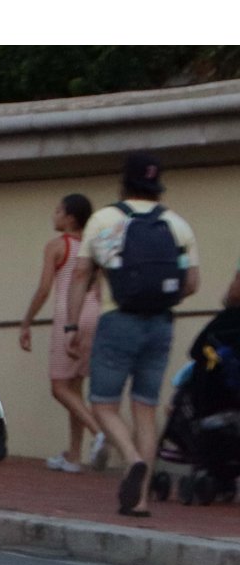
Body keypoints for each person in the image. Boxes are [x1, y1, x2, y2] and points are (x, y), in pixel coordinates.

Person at [64, 152, 200, 516]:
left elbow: (80, 275)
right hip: (160, 324)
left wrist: (72, 325)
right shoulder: (176, 224)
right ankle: (139, 500)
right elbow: (191, 284)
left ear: (124, 181)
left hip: (117, 320)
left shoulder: (104, 220)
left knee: (103, 404)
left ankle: (132, 457)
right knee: (145, 408)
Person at [18, 193, 107, 473]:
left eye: (58, 210)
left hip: (69, 315)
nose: (54, 215)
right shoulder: (92, 245)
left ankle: (99, 433)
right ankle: (74, 455)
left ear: (69, 217)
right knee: (75, 387)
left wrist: (27, 321)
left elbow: (45, 288)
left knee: (59, 387)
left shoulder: (57, 246)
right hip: (94, 312)